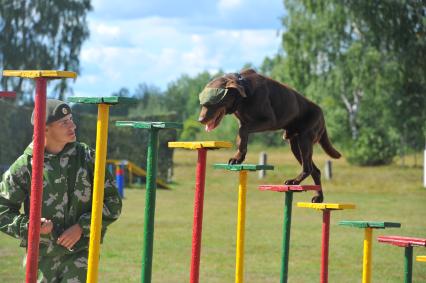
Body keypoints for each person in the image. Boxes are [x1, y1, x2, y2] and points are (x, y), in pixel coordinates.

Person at [0, 99, 122, 282]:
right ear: (45, 128)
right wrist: (33, 226)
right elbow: (2, 210)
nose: (73, 125)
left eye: (71, 119)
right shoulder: (26, 165)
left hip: (80, 255)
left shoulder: (87, 157)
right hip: (41, 259)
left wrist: (82, 226)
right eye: (64, 122)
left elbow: (112, 202)